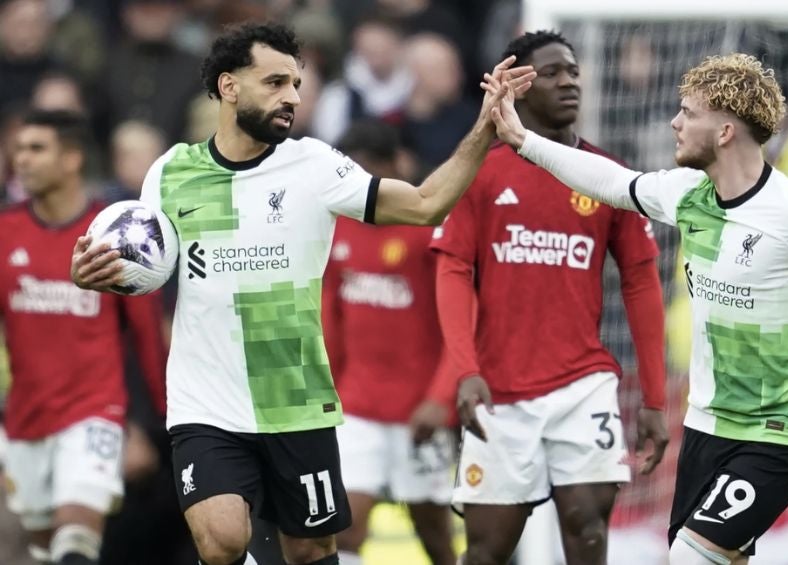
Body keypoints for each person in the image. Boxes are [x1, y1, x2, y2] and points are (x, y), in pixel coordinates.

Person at [68, 21, 533, 565]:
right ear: (228, 86)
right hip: (205, 402)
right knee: (221, 543)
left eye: (296, 83)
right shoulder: (170, 173)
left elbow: (427, 203)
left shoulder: (314, 166)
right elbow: (140, 266)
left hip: (294, 401)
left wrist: (483, 130)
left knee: (311, 550)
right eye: (275, 82)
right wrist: (92, 274)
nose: (292, 96)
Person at [487, 52, 788, 565]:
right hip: (705, 426)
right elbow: (610, 181)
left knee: (690, 556)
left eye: (688, 113)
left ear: (724, 131)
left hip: (778, 433)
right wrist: (523, 139)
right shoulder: (687, 195)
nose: (675, 123)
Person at [433, 30, 670, 565]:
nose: (569, 82)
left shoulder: (607, 175)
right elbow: (451, 269)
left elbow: (640, 280)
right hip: (499, 392)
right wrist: (464, 369)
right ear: (517, 87)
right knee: (486, 551)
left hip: (582, 387)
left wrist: (654, 399)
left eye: (573, 72)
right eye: (553, 72)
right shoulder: (479, 171)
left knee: (588, 531)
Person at [0, 109, 167, 565]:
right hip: (25, 420)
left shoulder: (112, 237)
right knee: (38, 551)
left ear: (72, 158)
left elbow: (147, 339)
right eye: (17, 150)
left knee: (76, 536)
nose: (22, 161)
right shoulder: (5, 232)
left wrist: (153, 424)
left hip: (95, 413)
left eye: (36, 149)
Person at [322, 119, 456, 565]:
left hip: (421, 414)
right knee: (345, 528)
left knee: (435, 536)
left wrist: (440, 399)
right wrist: (330, 396)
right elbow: (328, 324)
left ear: (393, 165)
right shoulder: (336, 229)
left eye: (365, 171)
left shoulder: (429, 231)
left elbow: (461, 323)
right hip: (357, 408)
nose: (356, 184)